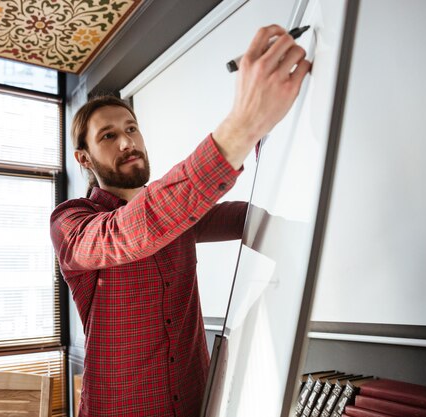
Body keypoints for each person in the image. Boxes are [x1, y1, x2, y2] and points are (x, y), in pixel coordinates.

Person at [50, 25, 311, 417]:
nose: (127, 142)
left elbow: (244, 217)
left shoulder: (177, 214)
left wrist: (308, 239)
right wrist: (241, 124)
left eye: (131, 129)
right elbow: (127, 233)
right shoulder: (72, 222)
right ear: (83, 159)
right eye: (108, 136)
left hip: (194, 401)